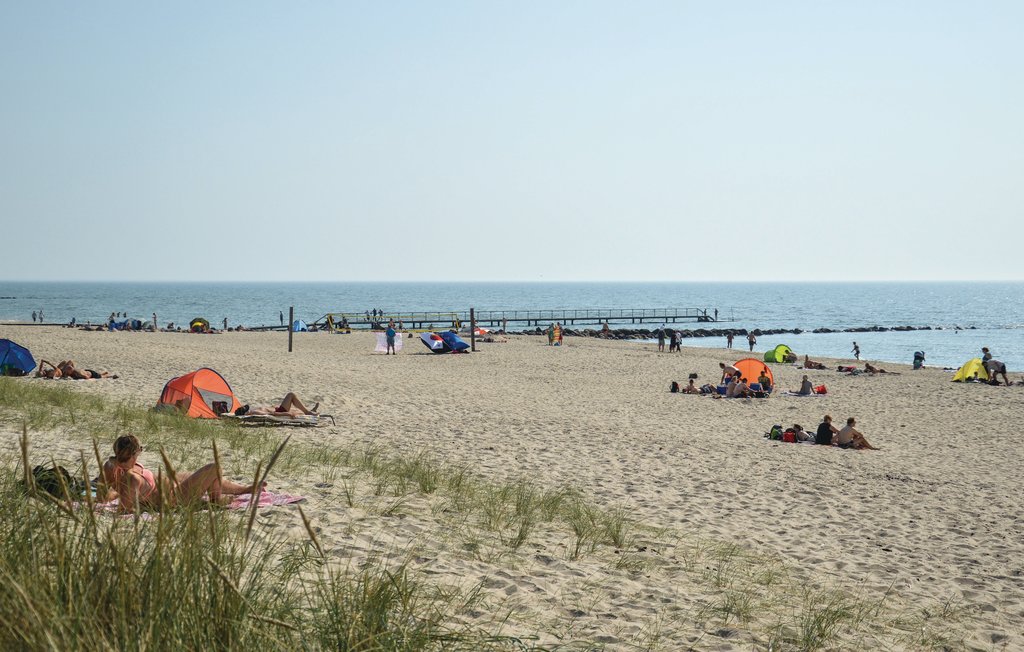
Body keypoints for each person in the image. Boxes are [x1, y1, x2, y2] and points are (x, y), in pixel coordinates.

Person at [99, 434, 265, 513]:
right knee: (214, 468)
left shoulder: (113, 464)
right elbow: (125, 507)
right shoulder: (131, 478)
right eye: (140, 449)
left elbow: (112, 490)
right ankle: (216, 500)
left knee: (191, 474)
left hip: (168, 484)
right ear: (134, 453)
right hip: (175, 497)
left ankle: (245, 489)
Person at [246, 393, 319, 418]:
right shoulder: (255, 412)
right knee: (291, 395)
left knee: (296, 410)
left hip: (278, 409)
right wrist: (287, 413)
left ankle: (311, 411)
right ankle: (307, 412)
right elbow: (273, 414)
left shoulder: (253, 410)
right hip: (280, 411)